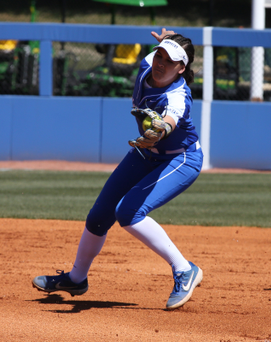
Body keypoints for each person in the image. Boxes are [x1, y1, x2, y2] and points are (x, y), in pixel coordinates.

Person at [32, 28, 203, 310]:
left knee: (129, 212)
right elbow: (157, 55)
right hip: (145, 153)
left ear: (181, 68)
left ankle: (185, 269)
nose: (160, 63)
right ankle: (76, 279)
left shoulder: (177, 96)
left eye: (169, 60)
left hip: (179, 158)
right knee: (99, 215)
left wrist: (160, 130)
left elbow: (170, 120)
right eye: (159, 55)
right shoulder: (148, 64)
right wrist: (164, 44)